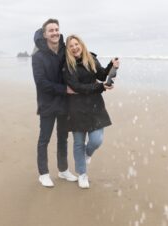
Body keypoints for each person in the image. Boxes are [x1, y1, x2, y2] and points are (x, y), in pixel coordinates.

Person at [61, 34, 119, 189]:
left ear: (81, 44)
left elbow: (101, 74)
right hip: (76, 107)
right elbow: (77, 87)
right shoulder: (68, 65)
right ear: (68, 49)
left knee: (96, 140)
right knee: (78, 142)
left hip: (95, 105)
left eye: (76, 44)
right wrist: (100, 87)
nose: (74, 47)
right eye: (71, 46)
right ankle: (82, 174)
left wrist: (111, 66)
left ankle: (88, 154)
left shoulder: (91, 58)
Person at [31, 19, 78, 187]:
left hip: (65, 103)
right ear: (44, 34)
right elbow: (41, 82)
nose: (55, 33)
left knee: (63, 138)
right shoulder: (38, 56)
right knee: (44, 138)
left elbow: (79, 64)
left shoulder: (65, 51)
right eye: (51, 30)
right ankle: (43, 173)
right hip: (47, 103)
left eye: (57, 29)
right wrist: (64, 89)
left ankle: (63, 170)